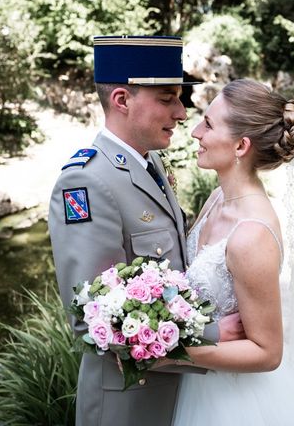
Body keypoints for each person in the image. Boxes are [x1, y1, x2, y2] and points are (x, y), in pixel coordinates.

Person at [48, 35, 244, 426]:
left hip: (177, 393)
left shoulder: (148, 162)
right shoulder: (86, 183)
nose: (182, 113)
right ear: (122, 100)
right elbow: (91, 317)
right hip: (128, 406)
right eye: (168, 98)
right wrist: (211, 332)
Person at [169, 79, 294, 425]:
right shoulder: (216, 199)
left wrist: (168, 354)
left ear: (241, 146)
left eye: (208, 124)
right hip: (200, 383)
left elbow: (267, 352)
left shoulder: (251, 234)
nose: (196, 131)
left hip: (232, 402)